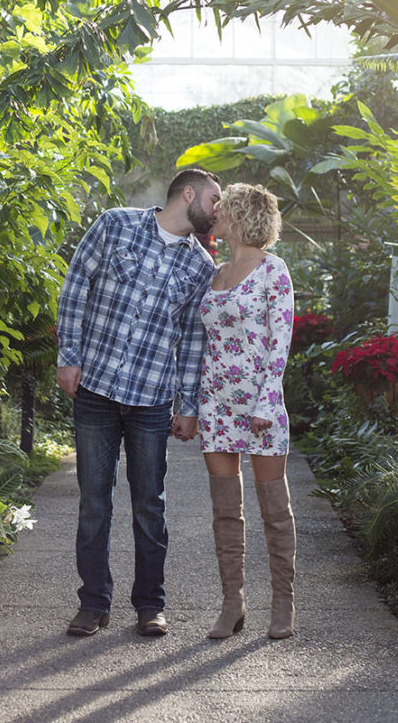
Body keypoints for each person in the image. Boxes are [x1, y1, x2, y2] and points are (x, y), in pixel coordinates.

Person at [56, 167, 222, 639]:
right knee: (94, 502)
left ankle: (150, 605)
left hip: (151, 399)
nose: (218, 209)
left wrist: (188, 404)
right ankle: (93, 603)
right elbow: (74, 289)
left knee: (150, 504)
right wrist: (69, 356)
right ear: (187, 193)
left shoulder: (200, 268)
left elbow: (193, 341)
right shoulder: (114, 224)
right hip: (96, 390)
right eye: (214, 199)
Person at [197, 183, 296, 640]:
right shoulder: (215, 273)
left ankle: (283, 603)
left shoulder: (273, 270)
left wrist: (265, 400)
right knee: (224, 510)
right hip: (216, 404)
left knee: (274, 510)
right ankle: (232, 603)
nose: (213, 214)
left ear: (238, 216)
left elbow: (280, 342)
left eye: (221, 209)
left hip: (261, 406)